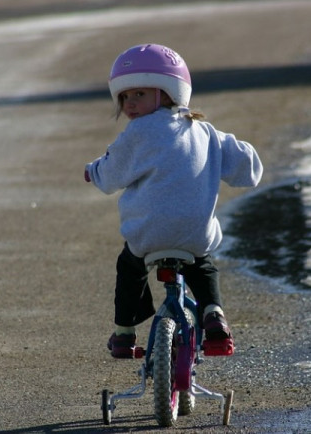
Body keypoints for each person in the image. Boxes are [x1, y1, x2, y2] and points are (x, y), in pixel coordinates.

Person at [85, 44, 263, 358]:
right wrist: (251, 162)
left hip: (148, 236)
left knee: (130, 266)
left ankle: (125, 334)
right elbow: (246, 166)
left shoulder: (138, 133)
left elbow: (110, 174)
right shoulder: (205, 132)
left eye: (139, 94)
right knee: (202, 266)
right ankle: (214, 315)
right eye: (125, 97)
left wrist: (93, 171)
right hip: (195, 235)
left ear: (169, 93)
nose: (130, 104)